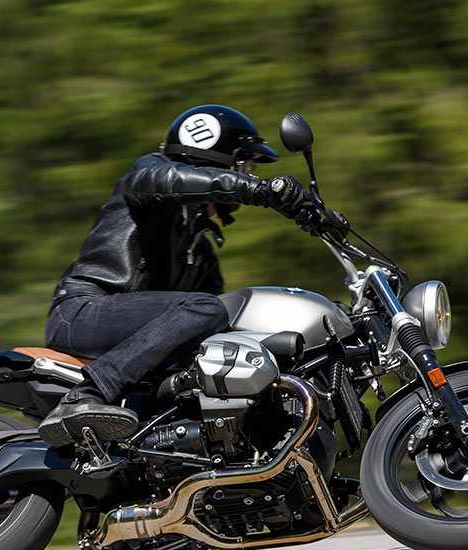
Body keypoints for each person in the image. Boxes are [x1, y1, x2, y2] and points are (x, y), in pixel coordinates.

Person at [37, 104, 319, 446]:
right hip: (82, 311)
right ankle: (88, 393)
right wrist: (258, 189)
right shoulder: (150, 176)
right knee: (208, 309)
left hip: (128, 331)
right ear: (215, 160)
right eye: (243, 165)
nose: (247, 172)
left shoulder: (201, 253)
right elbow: (166, 182)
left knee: (223, 334)